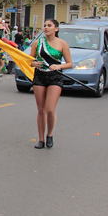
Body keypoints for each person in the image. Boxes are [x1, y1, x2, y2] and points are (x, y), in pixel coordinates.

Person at [30, 18, 73, 149]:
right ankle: (41, 139)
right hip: (40, 76)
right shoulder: (37, 43)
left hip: (55, 77)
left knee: (50, 109)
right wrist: (33, 63)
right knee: (41, 109)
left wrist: (59, 67)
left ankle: (50, 134)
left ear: (56, 28)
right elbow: (29, 61)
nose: (46, 28)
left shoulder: (62, 43)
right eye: (44, 25)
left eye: (49, 25)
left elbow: (70, 64)